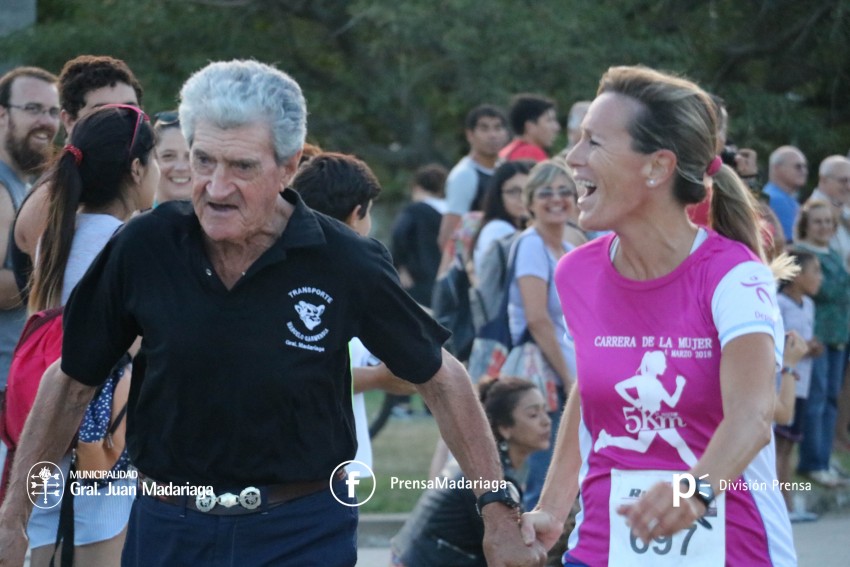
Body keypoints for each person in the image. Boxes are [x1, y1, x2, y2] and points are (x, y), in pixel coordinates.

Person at [0, 60, 542, 567]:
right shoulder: (144, 247)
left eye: (241, 166)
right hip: (169, 528)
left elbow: (442, 377)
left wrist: (495, 506)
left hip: (301, 530)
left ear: (288, 166)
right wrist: (14, 512)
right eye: (203, 160)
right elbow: (71, 381)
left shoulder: (343, 259)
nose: (215, 187)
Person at [521, 65, 796, 566]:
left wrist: (693, 491)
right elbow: (590, 393)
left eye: (593, 143)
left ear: (656, 167)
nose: (573, 158)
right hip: (603, 548)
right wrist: (553, 509)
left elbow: (754, 414)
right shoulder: (576, 272)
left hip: (735, 547)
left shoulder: (734, 277)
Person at [25, 104, 158, 567]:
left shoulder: (54, 237)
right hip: (101, 441)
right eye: (155, 159)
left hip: (43, 428)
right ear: (137, 169)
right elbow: (140, 347)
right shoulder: (129, 245)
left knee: (39, 542)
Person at [291, 150, 417, 474]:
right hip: (315, 470)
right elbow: (299, 371)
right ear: (356, 213)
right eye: (370, 213)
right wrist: (378, 377)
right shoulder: (355, 276)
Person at [12, 55, 143, 293]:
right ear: (69, 121)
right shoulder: (51, 199)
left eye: (130, 110)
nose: (120, 121)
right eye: (103, 112)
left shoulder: (123, 189)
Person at [391, 377, 551, 567]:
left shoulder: (483, 467)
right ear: (504, 428)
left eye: (545, 411)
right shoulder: (490, 480)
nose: (546, 421)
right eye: (533, 414)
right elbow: (511, 553)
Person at [0, 65, 59, 499]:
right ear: (2, 116)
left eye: (53, 111)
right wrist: (57, 278)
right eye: (33, 108)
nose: (47, 121)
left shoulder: (26, 186)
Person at [505, 159, 576, 510]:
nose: (556, 199)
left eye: (565, 191)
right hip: (546, 380)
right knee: (543, 482)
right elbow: (537, 319)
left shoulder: (568, 249)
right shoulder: (532, 245)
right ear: (529, 202)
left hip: (567, 376)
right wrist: (569, 378)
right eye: (546, 192)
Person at [794, 199, 850, 487]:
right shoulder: (803, 255)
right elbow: (826, 291)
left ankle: (825, 460)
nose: (825, 226)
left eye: (829, 221)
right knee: (816, 401)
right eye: (818, 221)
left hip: (839, 336)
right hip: (817, 338)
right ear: (806, 224)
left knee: (831, 401)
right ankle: (812, 462)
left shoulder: (835, 253)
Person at [774, 249, 822, 521]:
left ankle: (788, 503)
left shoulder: (810, 305)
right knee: (780, 446)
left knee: (790, 446)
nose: (819, 277)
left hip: (801, 387)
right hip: (784, 384)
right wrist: (802, 348)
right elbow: (776, 341)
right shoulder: (779, 303)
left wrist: (811, 346)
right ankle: (783, 505)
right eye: (814, 271)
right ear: (796, 275)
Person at [437, 104, 509, 263]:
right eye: (484, 129)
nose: (492, 135)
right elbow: (449, 236)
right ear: (470, 135)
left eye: (498, 128)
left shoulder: (507, 170)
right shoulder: (465, 175)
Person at [390, 163, 448, 308]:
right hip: (447, 279)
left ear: (416, 187)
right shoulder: (452, 214)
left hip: (418, 280)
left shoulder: (414, 211)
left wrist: (399, 266)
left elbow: (398, 236)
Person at [470, 160, 533, 278]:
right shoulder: (499, 230)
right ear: (498, 195)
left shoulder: (514, 227)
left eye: (527, 191)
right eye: (514, 192)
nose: (522, 198)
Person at [763, 145, 809, 243]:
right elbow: (793, 242)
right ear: (777, 168)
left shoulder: (783, 197)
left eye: (805, 167)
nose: (804, 171)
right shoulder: (777, 200)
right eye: (798, 166)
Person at [498, 94, 560, 163]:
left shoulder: (509, 150)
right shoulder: (531, 153)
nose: (557, 127)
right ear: (530, 126)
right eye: (549, 120)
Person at [152, 109, 192, 204]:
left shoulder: (223, 217)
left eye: (190, 157)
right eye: (168, 156)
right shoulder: (130, 218)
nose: (181, 167)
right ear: (153, 160)